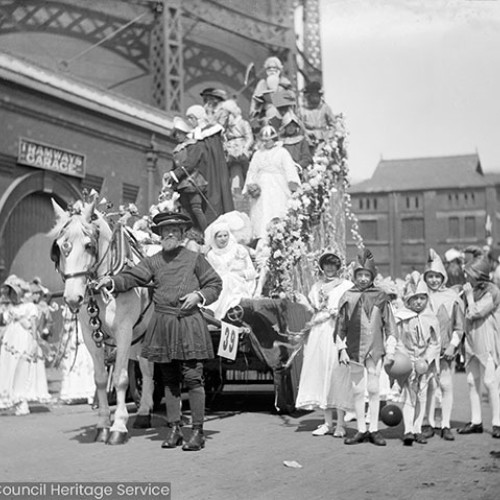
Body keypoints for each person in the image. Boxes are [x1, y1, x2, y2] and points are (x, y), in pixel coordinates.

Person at [96, 211, 222, 451]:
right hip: (163, 324)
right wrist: (111, 282)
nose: (170, 234)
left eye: (175, 230)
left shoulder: (195, 259)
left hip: (188, 323)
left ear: (183, 234)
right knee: (170, 379)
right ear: (160, 235)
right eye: (165, 231)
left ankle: (197, 431)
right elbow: (132, 278)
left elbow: (215, 284)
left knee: (192, 377)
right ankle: (174, 428)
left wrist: (199, 296)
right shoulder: (154, 261)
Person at [335, 249, 397, 446]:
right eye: (359, 275)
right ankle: (361, 428)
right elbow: (340, 326)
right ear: (354, 276)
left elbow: (390, 325)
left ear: (372, 276)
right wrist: (341, 348)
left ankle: (374, 429)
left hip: (375, 349)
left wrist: (391, 348)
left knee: (374, 387)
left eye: (366, 275)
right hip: (353, 348)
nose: (363, 279)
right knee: (357, 389)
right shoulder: (347, 296)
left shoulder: (381, 296)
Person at [295, 251, 353, 437]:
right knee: (322, 373)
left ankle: (341, 424)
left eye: (333, 266)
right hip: (320, 331)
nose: (330, 269)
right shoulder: (317, 286)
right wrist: (304, 303)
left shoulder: (347, 286)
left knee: (338, 374)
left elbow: (353, 309)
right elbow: (314, 309)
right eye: (326, 265)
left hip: (337, 331)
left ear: (339, 267)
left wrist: (340, 314)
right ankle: (327, 422)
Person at [391, 272, 441, 446]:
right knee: (408, 395)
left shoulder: (430, 317)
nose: (419, 302)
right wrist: (402, 358)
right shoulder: (401, 317)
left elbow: (435, 342)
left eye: (422, 298)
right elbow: (396, 339)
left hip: (424, 363)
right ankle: (408, 430)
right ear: (408, 300)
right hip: (407, 361)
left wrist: (427, 359)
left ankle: (418, 428)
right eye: (415, 298)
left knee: (421, 395)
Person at [421, 249, 465, 441]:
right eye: (430, 276)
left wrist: (452, 347)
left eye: (437, 276)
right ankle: (429, 422)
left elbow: (459, 327)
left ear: (443, 277)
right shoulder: (420, 297)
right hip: (426, 351)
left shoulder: (452, 298)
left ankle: (445, 424)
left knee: (446, 385)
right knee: (429, 385)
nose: (434, 280)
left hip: (446, 350)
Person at [457, 253, 500, 439]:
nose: (466, 276)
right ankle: (476, 421)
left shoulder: (492, 291)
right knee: (471, 381)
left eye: (469, 273)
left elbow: (476, 312)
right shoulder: (468, 289)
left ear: (478, 273)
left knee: (490, 382)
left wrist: (468, 296)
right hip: (471, 341)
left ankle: (498, 422)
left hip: (487, 340)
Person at [0, 275, 51, 416]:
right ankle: (10, 398)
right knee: (9, 367)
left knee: (23, 368)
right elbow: (5, 321)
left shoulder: (30, 307)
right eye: (10, 293)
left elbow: (33, 325)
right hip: (11, 339)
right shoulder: (9, 309)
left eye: (14, 293)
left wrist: (34, 340)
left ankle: (22, 399)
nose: (12, 296)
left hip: (24, 338)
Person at [242, 125, 300, 241]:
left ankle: (278, 234)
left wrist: (293, 183)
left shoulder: (282, 152)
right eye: (264, 141)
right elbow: (252, 170)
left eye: (268, 140)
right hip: (261, 185)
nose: (266, 143)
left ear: (274, 139)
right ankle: (260, 236)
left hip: (278, 185)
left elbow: (289, 168)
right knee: (261, 209)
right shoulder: (258, 154)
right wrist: (249, 186)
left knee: (276, 207)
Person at [185, 105, 234, 225]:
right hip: (198, 173)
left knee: (213, 202)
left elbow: (211, 155)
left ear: (196, 118)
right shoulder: (195, 134)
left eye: (191, 118)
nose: (189, 122)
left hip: (211, 173)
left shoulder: (211, 132)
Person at [204, 219, 257, 320]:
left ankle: (212, 310)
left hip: (239, 284)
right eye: (219, 236)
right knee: (224, 278)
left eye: (225, 235)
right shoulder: (211, 255)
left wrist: (241, 274)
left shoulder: (238, 249)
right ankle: (212, 310)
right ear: (214, 238)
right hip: (220, 287)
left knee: (228, 277)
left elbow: (252, 272)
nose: (223, 239)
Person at [167, 115, 209, 232]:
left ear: (184, 133)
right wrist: (170, 176)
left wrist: (175, 174)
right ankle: (192, 234)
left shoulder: (193, 146)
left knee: (196, 209)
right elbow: (174, 167)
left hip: (193, 181)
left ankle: (206, 233)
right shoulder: (177, 149)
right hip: (181, 184)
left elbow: (190, 164)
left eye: (179, 133)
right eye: (175, 134)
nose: (177, 136)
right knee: (185, 211)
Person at [58, 305, 96, 405]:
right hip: (71, 340)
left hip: (82, 338)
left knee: (86, 365)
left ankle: (90, 393)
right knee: (72, 366)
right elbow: (66, 323)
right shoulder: (68, 310)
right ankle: (72, 393)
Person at [220, 99, 254, 194]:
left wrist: (245, 148)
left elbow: (249, 138)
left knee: (245, 172)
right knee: (233, 172)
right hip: (230, 153)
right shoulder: (226, 127)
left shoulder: (243, 123)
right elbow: (223, 140)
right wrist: (226, 147)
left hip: (241, 151)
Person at [250, 56, 293, 131]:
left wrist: (273, 96)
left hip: (284, 112)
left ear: (279, 69)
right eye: (269, 68)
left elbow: (290, 99)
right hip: (265, 113)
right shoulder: (262, 83)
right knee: (271, 112)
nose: (272, 70)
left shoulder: (285, 82)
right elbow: (255, 100)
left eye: (274, 67)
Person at [299, 80, 336, 149]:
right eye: (313, 95)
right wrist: (307, 133)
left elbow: (333, 125)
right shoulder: (302, 110)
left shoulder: (325, 108)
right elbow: (299, 126)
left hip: (324, 141)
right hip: (308, 140)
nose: (315, 98)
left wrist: (329, 137)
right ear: (309, 96)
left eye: (317, 95)